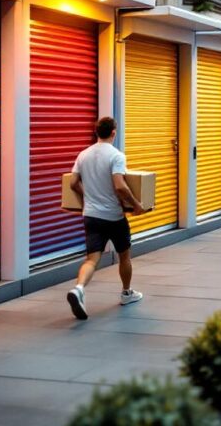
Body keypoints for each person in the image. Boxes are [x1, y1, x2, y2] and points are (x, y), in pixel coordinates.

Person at [66, 117, 145, 320]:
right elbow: (120, 186)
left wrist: (88, 196)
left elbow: (73, 183)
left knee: (92, 259)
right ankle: (126, 293)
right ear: (113, 133)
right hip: (113, 216)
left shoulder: (83, 155)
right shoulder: (116, 156)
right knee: (124, 255)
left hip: (91, 215)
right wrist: (136, 204)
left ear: (96, 132)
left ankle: (79, 288)